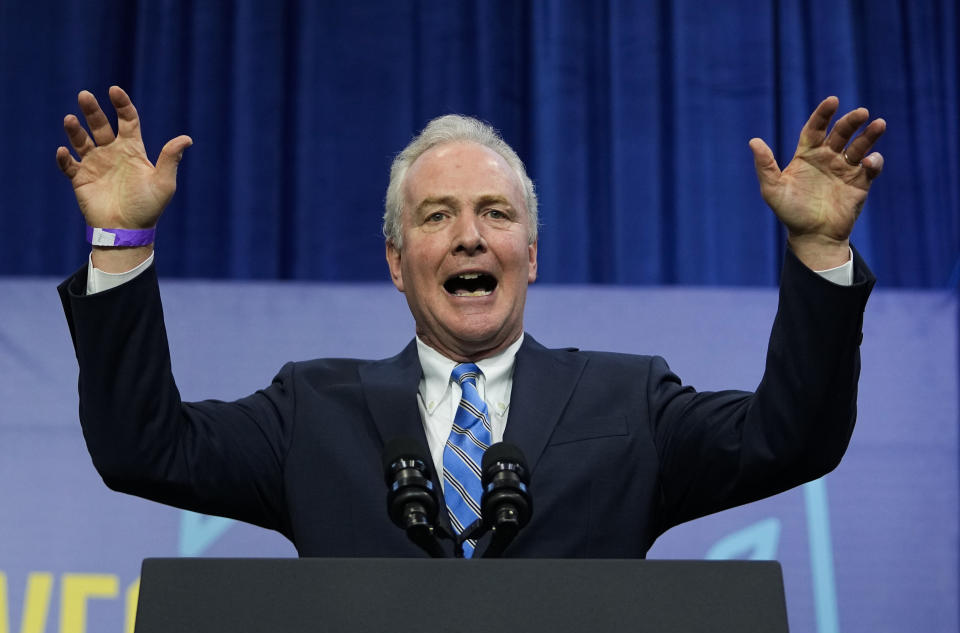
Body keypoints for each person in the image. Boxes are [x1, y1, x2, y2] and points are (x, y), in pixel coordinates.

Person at [57, 86, 883, 558]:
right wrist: (121, 241)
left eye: (494, 213)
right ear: (395, 260)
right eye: (436, 216)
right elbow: (145, 450)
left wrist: (817, 246)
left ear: (530, 251)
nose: (469, 235)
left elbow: (792, 439)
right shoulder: (312, 411)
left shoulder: (631, 402)